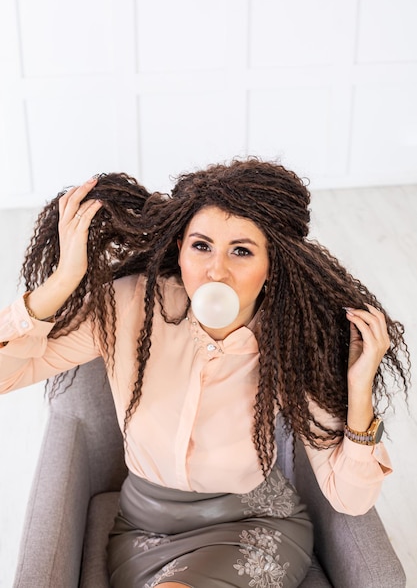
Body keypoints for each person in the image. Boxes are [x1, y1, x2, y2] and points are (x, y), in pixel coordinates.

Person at [0, 158, 411, 588]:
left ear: (272, 263)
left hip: (253, 525)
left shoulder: (294, 342)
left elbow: (351, 497)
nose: (217, 270)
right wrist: (60, 285)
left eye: (241, 251)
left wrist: (359, 391)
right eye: (201, 246)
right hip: (143, 530)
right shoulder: (126, 306)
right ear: (179, 248)